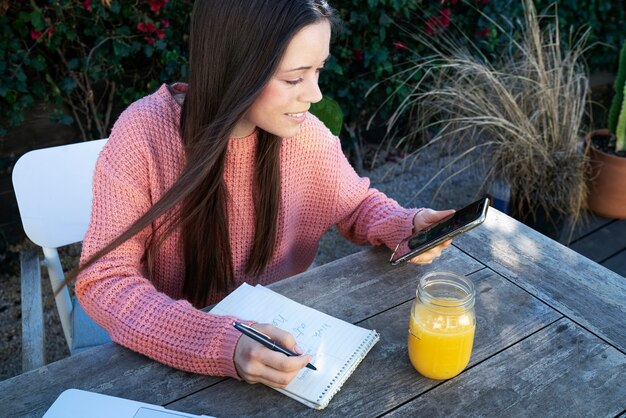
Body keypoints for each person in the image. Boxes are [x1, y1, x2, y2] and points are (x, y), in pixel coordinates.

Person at [74, 0, 454, 390]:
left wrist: (403, 225)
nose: (316, 95)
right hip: (168, 356)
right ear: (235, 70)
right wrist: (220, 341)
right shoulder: (144, 135)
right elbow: (104, 280)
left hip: (278, 340)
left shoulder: (301, 133)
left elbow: (356, 204)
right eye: (294, 78)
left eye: (318, 70)